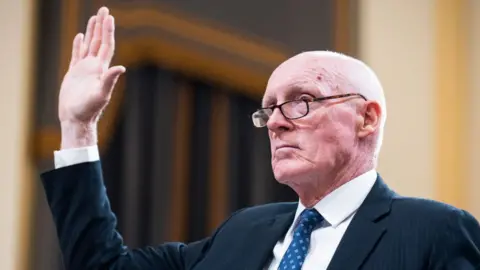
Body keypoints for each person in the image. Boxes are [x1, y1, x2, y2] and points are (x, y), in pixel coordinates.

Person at [41, 6, 480, 270]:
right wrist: (78, 127)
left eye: (302, 101)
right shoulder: (242, 232)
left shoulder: (434, 232)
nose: (275, 122)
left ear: (366, 118)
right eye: (269, 108)